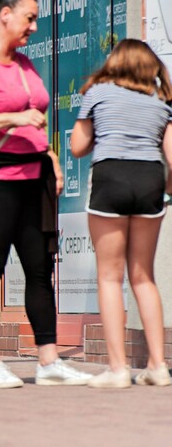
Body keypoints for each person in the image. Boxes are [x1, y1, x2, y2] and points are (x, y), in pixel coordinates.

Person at [0, 0, 92, 388]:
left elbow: (37, 116)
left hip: (35, 178)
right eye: (29, 19)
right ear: (6, 15)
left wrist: (52, 158)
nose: (33, 27)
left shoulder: (23, 62)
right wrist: (12, 117)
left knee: (39, 269)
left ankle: (48, 362)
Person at [69, 39, 172, 388]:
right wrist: (166, 189)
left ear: (116, 63)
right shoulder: (161, 102)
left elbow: (78, 147)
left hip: (112, 176)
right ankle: (158, 365)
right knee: (144, 276)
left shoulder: (99, 92)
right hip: (149, 181)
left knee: (110, 276)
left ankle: (117, 369)